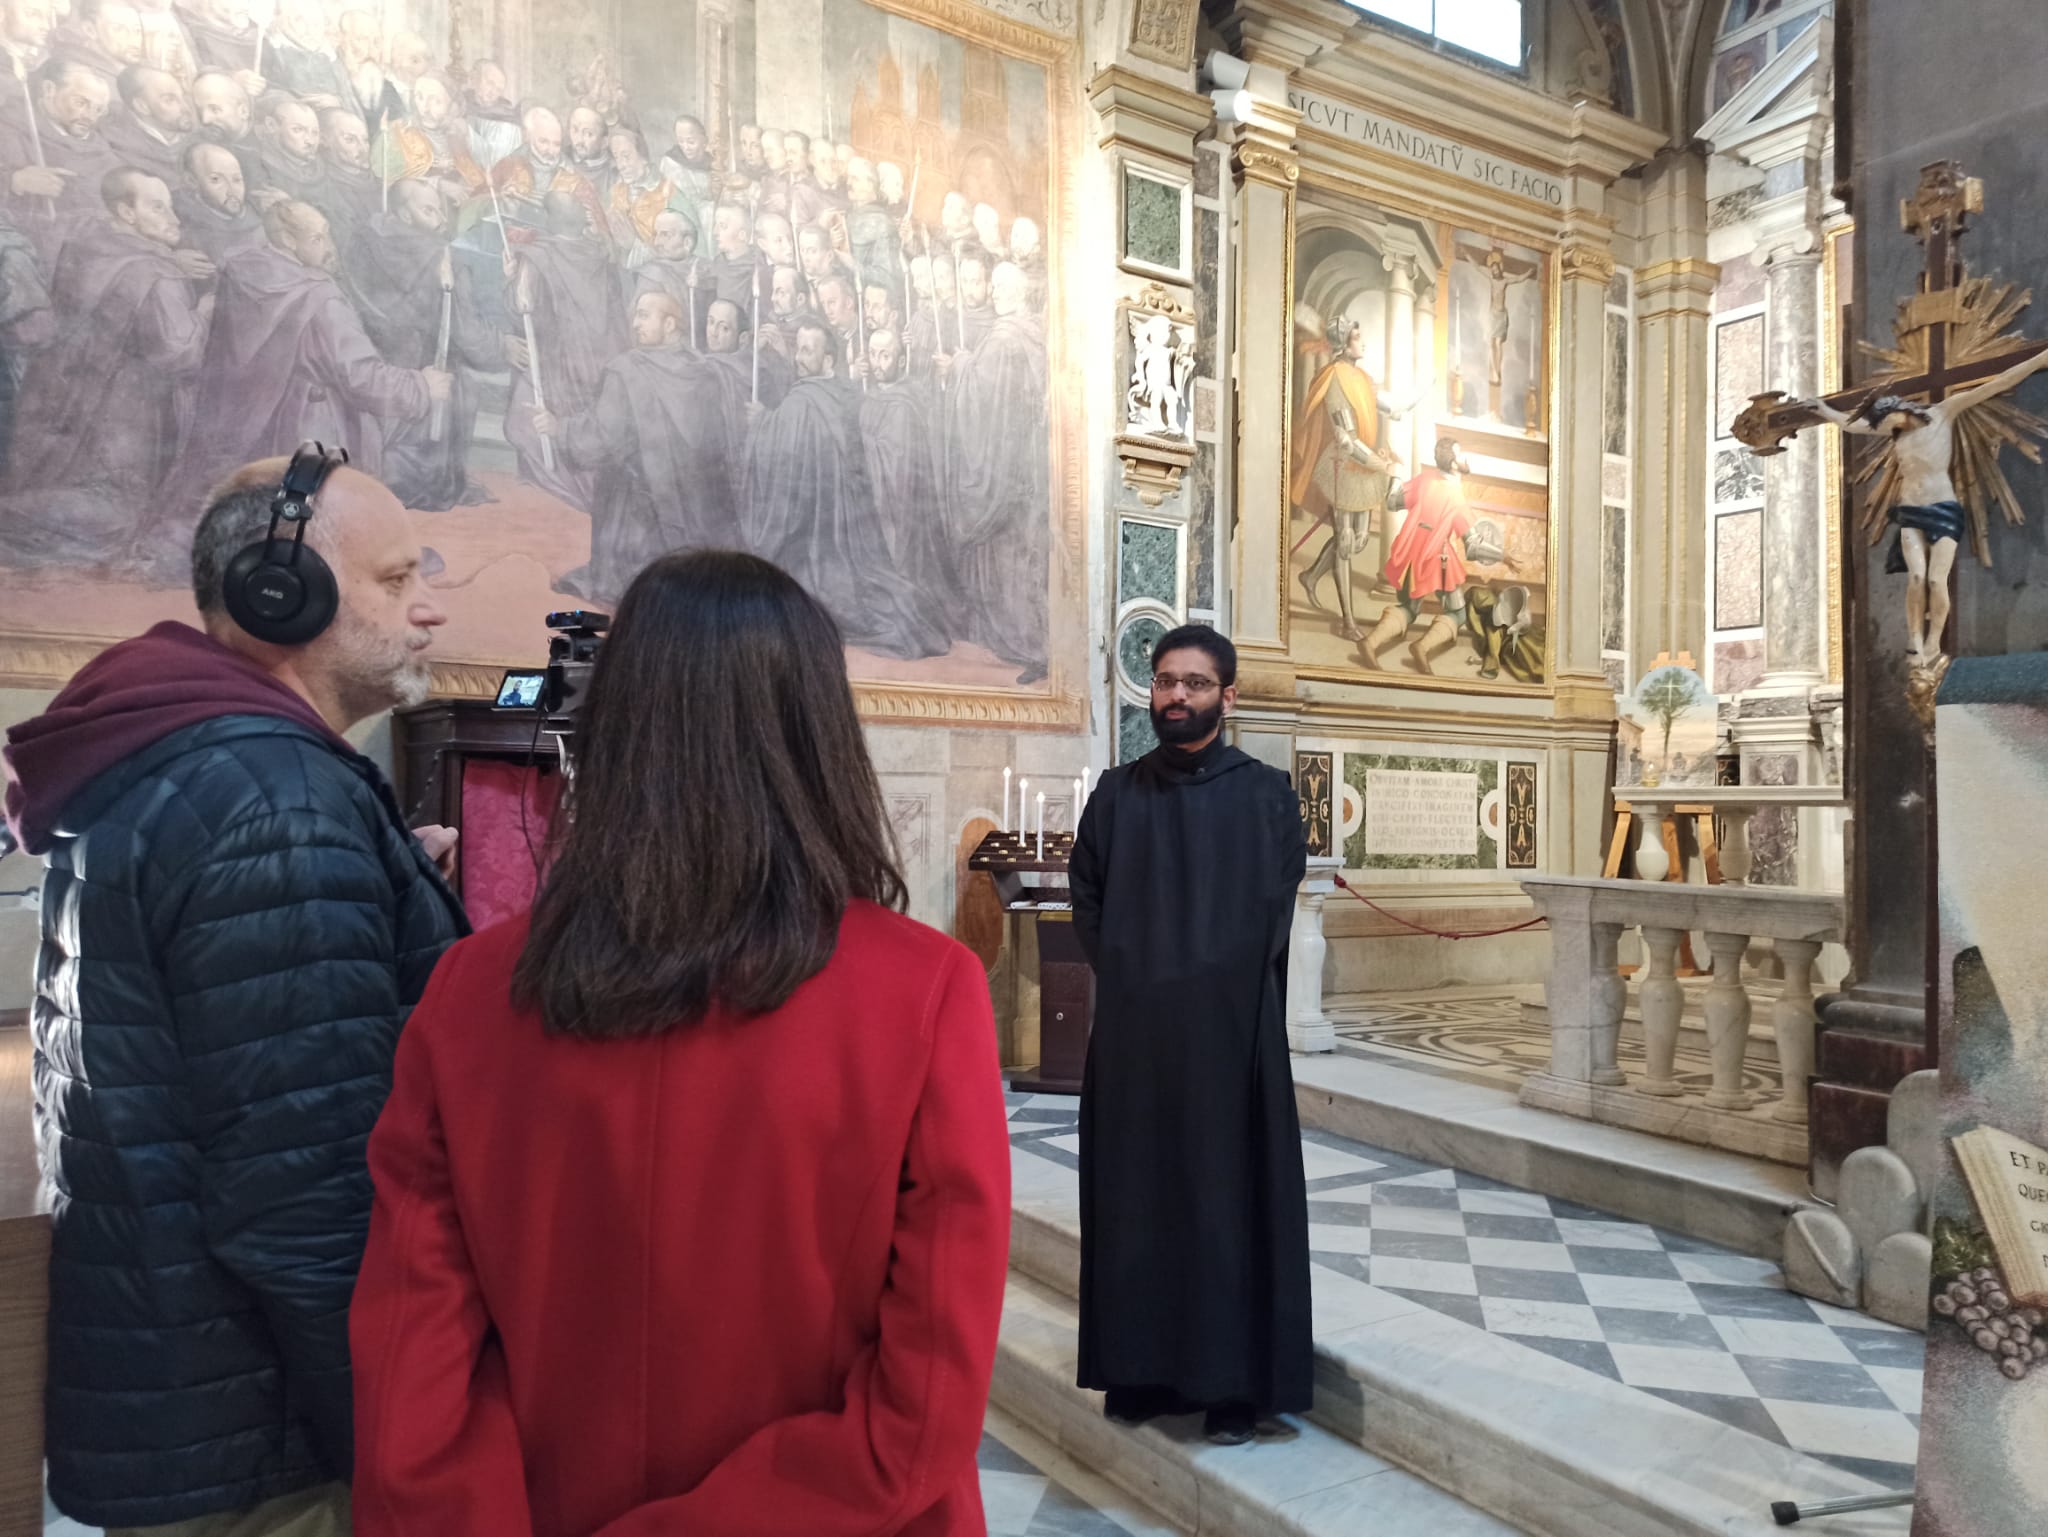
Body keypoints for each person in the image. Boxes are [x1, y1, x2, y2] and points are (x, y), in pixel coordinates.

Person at [349, 548, 1010, 1536]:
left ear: (610, 728)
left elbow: (415, 1368)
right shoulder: (924, 993)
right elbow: (922, 1406)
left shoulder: (470, 991)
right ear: (820, 737)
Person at [3, 455, 468, 1533]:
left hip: (173, 1395)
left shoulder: (176, 749)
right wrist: (404, 1442)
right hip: (263, 1446)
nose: (430, 609)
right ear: (281, 592)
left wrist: (378, 884)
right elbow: (307, 1198)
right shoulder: (276, 801)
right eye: (397, 581)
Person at [1067, 624, 1311, 1446]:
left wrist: (1207, 990)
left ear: (1227, 696)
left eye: (1196, 684)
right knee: (1134, 1204)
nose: (1176, 696)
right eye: (1166, 681)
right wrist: (1140, 985)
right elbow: (1089, 904)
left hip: (1229, 1043)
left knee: (1225, 1209)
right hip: (1136, 1042)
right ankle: (1138, 1371)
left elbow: (1272, 915)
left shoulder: (1269, 795)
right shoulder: (1115, 794)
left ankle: (1232, 1387)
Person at [1797, 346, 2048, 662]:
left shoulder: (1945, 411)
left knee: (1934, 579)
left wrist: (2040, 360)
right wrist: (1823, 410)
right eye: (1888, 424)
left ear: (1904, 410)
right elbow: (1851, 424)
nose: (1892, 427)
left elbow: (1995, 384)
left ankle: (1933, 642)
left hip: (1943, 509)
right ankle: (1914, 640)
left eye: (1893, 420)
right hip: (1910, 512)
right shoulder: (1894, 428)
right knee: (1916, 578)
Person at [532, 289, 740, 597]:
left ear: (670, 324)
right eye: (635, 315)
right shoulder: (707, 372)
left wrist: (558, 429)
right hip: (697, 519)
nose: (635, 323)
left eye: (644, 315)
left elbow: (602, 439)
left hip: (638, 524)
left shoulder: (627, 371)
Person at [1291, 317, 1399, 642]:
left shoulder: (1361, 377)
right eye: (1356, 336)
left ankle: (1311, 576)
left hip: (1364, 468)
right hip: (1341, 465)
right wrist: (1379, 465)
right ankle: (1348, 621)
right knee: (1347, 542)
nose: (1362, 341)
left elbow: (1387, 405)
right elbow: (1345, 439)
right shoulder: (1336, 377)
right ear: (1343, 343)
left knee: (1358, 539)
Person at [1363, 437, 1482, 674]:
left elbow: (1393, 501)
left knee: (1408, 605)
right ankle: (1422, 647)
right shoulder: (1457, 498)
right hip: (1437, 557)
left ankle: (1370, 642)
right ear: (1453, 463)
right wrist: (1503, 554)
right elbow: (1472, 545)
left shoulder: (1425, 479)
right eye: (1460, 453)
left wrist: (1396, 471)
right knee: (1457, 612)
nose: (1465, 456)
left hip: (1409, 549)